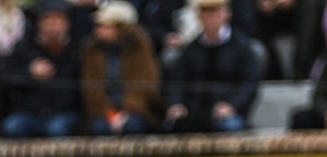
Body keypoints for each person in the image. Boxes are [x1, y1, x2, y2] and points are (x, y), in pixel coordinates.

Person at [162, 0, 263, 133]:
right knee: (171, 127)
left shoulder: (242, 48)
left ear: (226, 15)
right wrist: (176, 104)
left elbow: (249, 85)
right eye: (205, 13)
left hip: (228, 112)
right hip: (195, 113)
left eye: (214, 12)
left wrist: (232, 105)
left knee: (230, 127)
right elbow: (178, 82)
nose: (210, 18)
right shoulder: (191, 50)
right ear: (198, 17)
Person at [0, 0, 82, 138]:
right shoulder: (23, 48)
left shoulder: (77, 51)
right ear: (39, 24)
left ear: (67, 23)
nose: (53, 26)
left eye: (58, 20)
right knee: (13, 126)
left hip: (63, 113)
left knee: (57, 129)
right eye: (48, 20)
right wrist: (29, 73)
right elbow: (5, 78)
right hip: (29, 113)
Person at [80, 0, 161, 135]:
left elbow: (146, 86)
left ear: (121, 28)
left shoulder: (140, 48)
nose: (98, 29)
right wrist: (110, 112)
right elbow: (91, 90)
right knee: (100, 128)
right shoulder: (92, 50)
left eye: (105, 26)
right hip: (103, 111)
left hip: (136, 111)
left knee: (134, 126)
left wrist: (126, 111)